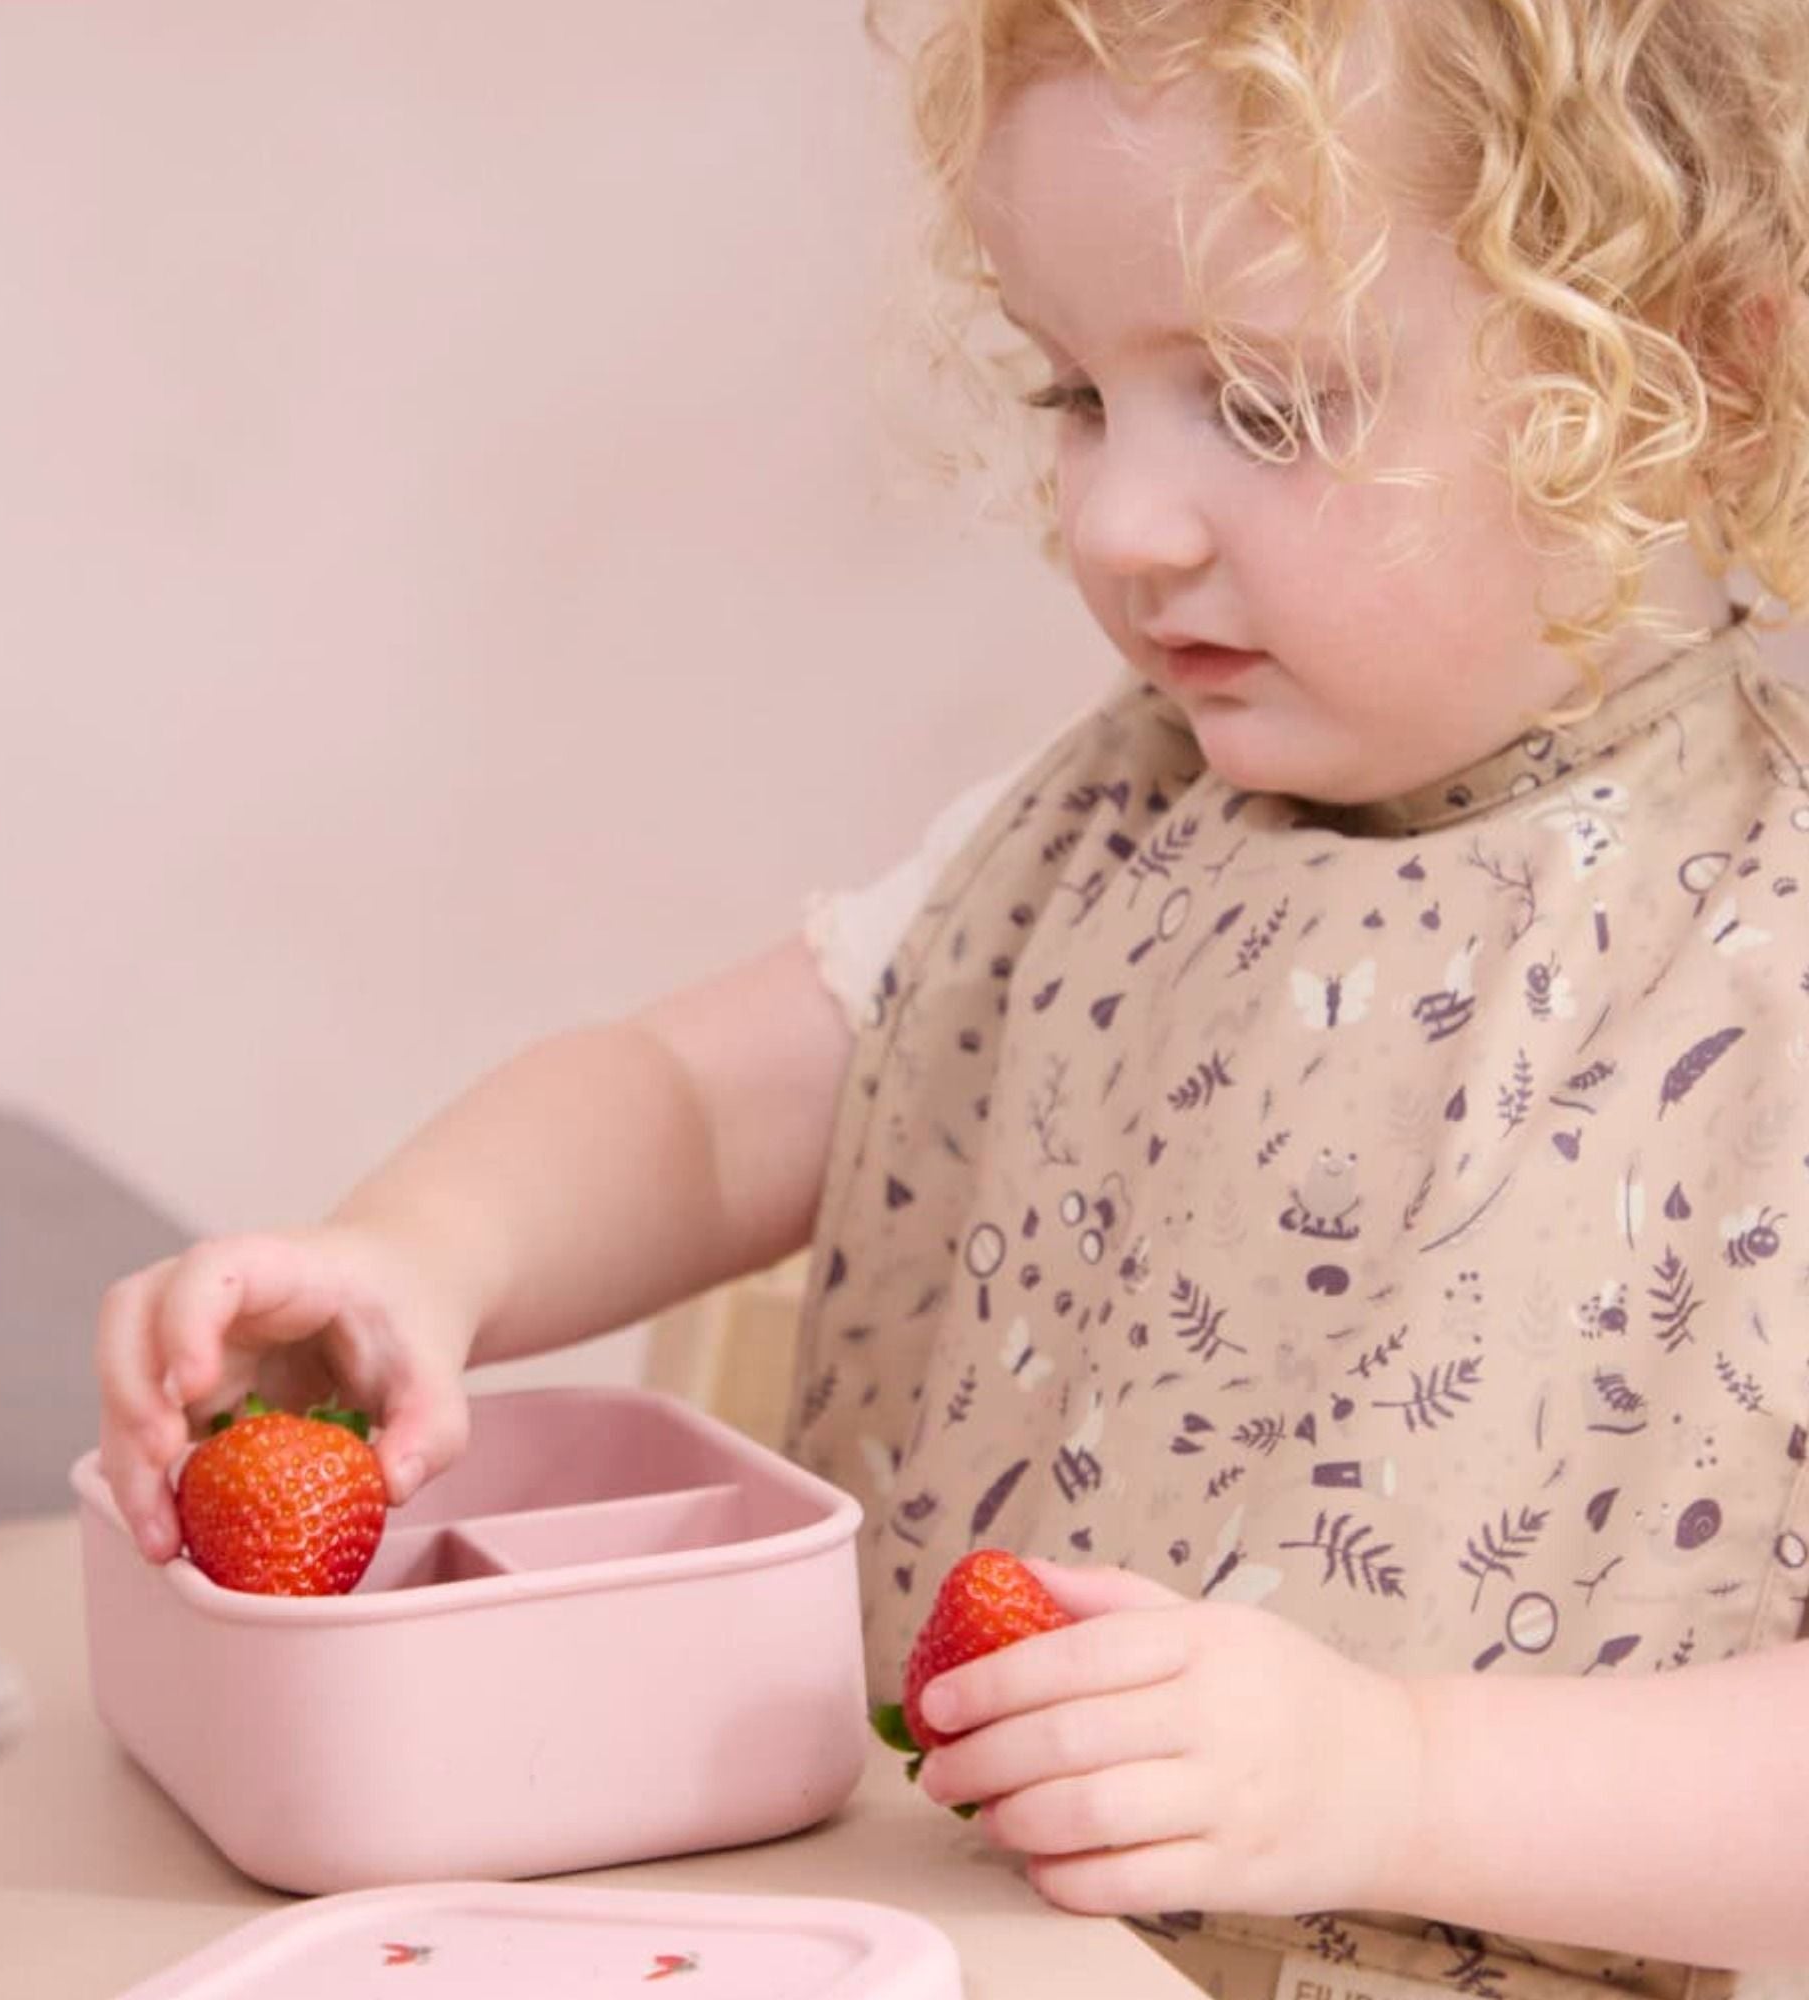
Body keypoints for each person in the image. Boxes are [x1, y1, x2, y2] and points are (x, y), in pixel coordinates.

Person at [97, 2, 1809, 1994]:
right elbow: (692, 1104)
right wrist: (421, 1247)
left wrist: (1397, 1777)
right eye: (1076, 392)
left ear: (1691, 378)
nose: (1115, 524)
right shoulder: (1096, 828)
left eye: (1267, 407)